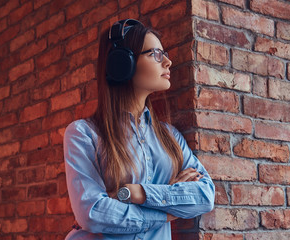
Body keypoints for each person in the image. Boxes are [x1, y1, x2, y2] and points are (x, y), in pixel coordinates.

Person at [63, 19, 215, 240]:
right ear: (123, 63)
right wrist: (168, 212)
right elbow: (92, 213)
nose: (168, 62)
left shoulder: (170, 137)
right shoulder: (83, 134)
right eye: (155, 54)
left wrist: (137, 193)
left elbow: (205, 195)